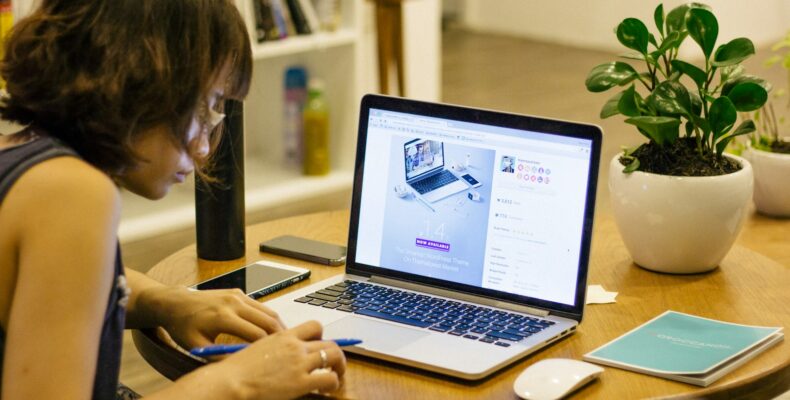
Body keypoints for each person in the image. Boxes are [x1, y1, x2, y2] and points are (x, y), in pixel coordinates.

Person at [0, 1, 345, 399]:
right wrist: (236, 381)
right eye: (206, 106)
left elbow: (49, 291)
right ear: (144, 80)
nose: (203, 148)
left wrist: (166, 302)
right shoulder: (74, 194)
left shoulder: (20, 156)